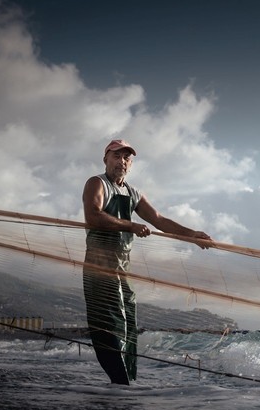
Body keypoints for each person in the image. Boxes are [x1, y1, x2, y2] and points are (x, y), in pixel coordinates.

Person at [82, 139, 212, 385]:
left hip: (122, 266)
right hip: (99, 266)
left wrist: (192, 235)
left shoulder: (132, 193)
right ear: (105, 159)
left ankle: (126, 383)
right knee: (109, 322)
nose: (122, 161)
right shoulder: (97, 183)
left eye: (127, 158)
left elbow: (159, 220)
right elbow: (93, 216)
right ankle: (119, 382)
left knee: (129, 321)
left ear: (131, 164)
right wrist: (131, 225)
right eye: (117, 156)